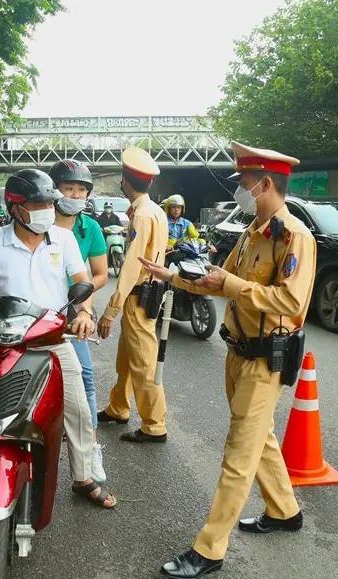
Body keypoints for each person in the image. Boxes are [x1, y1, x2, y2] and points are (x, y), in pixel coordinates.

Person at [139, 141, 316, 577]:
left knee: (239, 452)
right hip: (237, 353)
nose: (239, 188)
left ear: (265, 184)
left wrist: (234, 285)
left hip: (265, 358)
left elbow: (290, 302)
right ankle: (284, 511)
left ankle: (210, 549)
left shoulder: (294, 237)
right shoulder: (252, 233)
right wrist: (174, 276)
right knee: (262, 438)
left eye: (243, 182)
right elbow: (219, 282)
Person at [0, 169, 116, 509]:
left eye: (48, 203)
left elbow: (81, 282)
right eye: (37, 204)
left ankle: (83, 476)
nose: (46, 209)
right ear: (15, 208)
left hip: (52, 339)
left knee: (80, 411)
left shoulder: (64, 239)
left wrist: (85, 313)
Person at [96, 147, 170, 443]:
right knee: (127, 358)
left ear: (125, 181)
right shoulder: (154, 210)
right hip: (143, 295)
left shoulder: (141, 215)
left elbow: (129, 269)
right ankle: (118, 407)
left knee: (143, 363)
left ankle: (154, 425)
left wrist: (109, 312)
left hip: (139, 295)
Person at [49, 159, 109, 482]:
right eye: (68, 187)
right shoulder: (37, 223)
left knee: (84, 373)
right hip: (38, 307)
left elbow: (100, 275)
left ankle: (91, 450)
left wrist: (80, 291)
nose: (74, 194)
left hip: (74, 309)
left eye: (81, 189)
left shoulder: (91, 229)